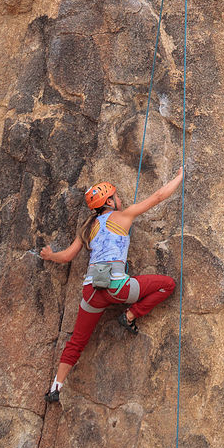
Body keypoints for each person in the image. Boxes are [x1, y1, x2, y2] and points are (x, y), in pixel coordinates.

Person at [40, 168, 183, 403]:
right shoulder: (123, 216)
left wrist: (49, 255)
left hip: (92, 292)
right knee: (167, 285)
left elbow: (66, 257)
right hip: (118, 288)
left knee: (77, 340)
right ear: (109, 201)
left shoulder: (87, 228)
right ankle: (129, 316)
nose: (121, 199)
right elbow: (158, 197)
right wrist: (179, 177)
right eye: (116, 196)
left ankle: (56, 386)